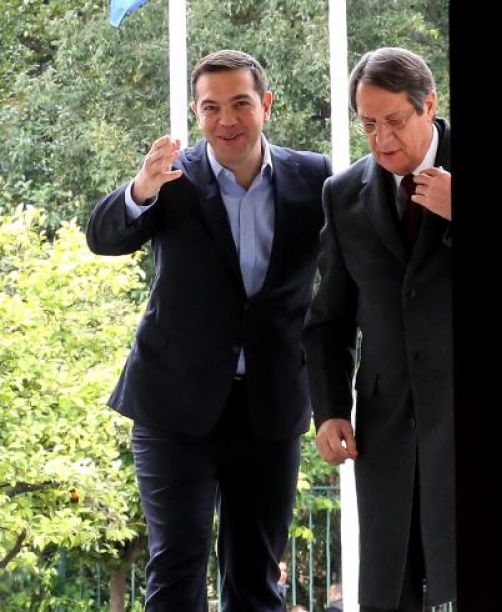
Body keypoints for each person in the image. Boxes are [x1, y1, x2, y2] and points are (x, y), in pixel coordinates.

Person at [86, 49, 330, 610]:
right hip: (173, 406)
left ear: (266, 105)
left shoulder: (313, 176)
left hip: (269, 407)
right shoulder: (171, 178)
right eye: (211, 107)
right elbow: (104, 237)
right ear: (197, 113)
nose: (227, 120)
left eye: (241, 103)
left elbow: (346, 280)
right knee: (177, 568)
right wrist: (141, 188)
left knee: (256, 578)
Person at [304, 47, 454, 612]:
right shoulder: (343, 194)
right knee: (390, 591)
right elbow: (329, 318)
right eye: (368, 124)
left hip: (470, 421)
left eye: (394, 120)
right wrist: (329, 409)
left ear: (429, 105)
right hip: (386, 429)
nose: (381, 138)